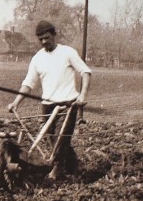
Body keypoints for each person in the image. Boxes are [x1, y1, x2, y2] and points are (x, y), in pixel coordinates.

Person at [7, 20, 91, 179]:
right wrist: (15, 102)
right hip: (47, 106)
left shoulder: (67, 52)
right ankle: (74, 167)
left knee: (60, 139)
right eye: (41, 39)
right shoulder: (37, 58)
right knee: (52, 139)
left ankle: (57, 172)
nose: (44, 41)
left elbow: (85, 72)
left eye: (47, 37)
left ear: (54, 34)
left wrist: (82, 96)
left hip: (67, 104)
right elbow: (28, 84)